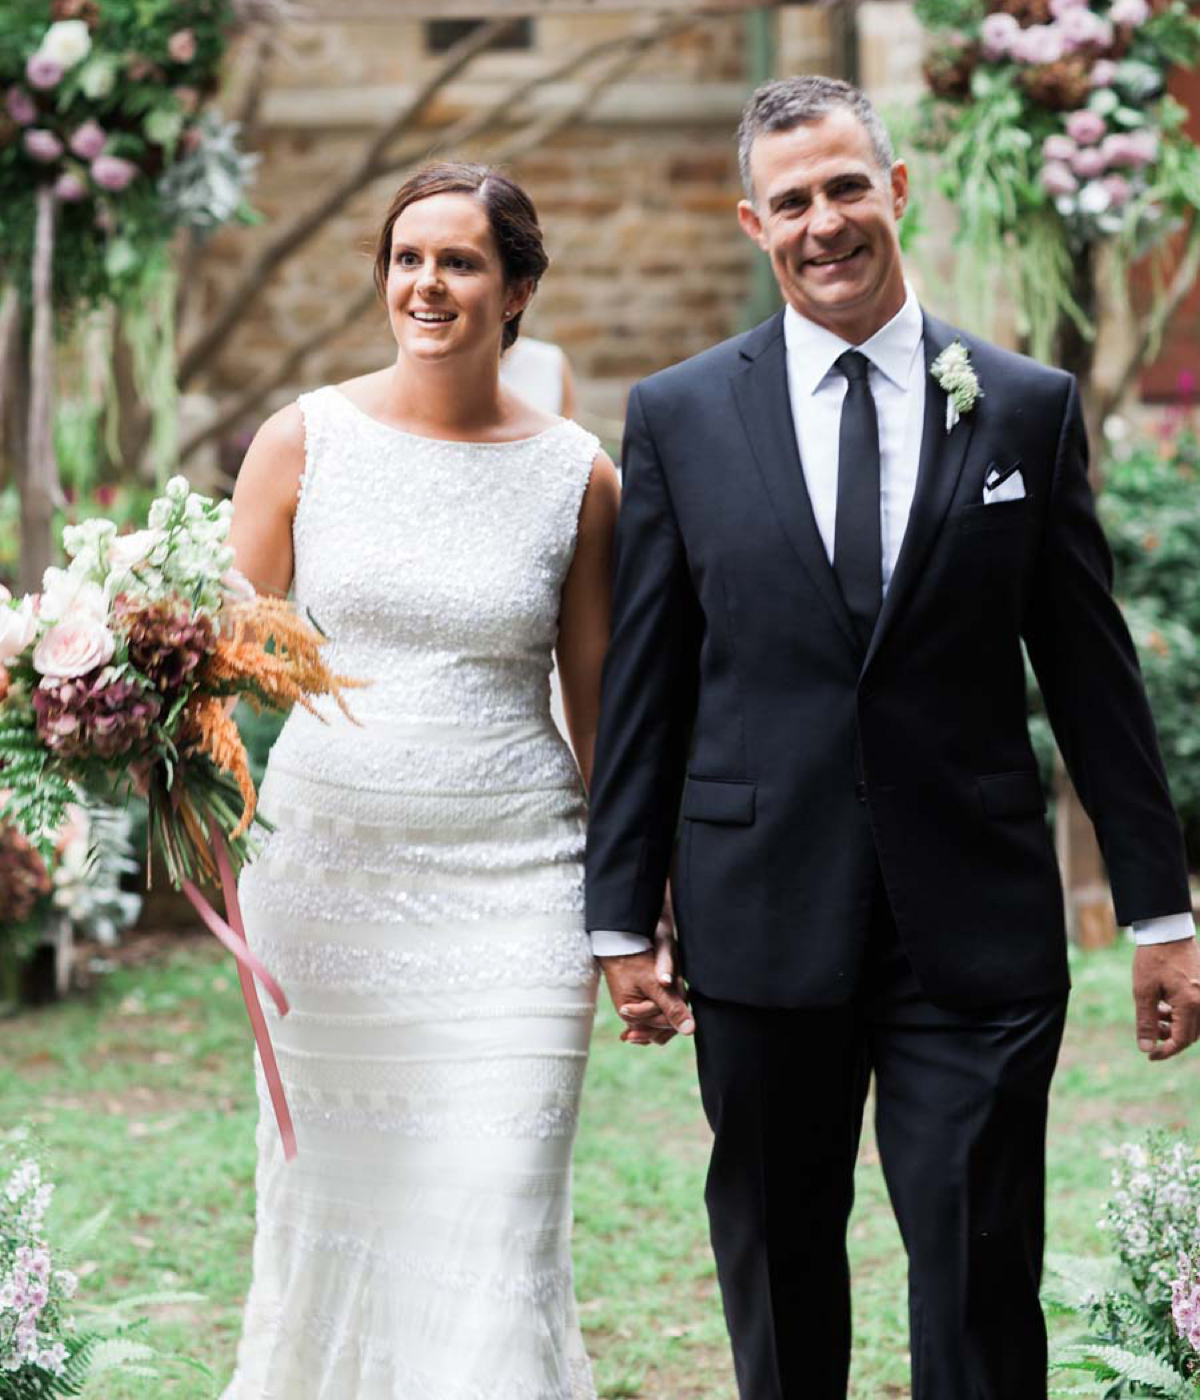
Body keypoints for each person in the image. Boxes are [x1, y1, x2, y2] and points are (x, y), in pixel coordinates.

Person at [583, 76, 1200, 1399]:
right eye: (793, 200)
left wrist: (1160, 915)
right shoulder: (681, 418)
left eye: (847, 186)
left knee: (980, 1280)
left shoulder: (1024, 406)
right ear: (755, 223)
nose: (825, 222)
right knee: (776, 1267)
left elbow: (1092, 679)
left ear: (898, 190)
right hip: (759, 912)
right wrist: (619, 917)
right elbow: (649, 682)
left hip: (971, 926)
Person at [221, 161, 619, 1399]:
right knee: (341, 1206)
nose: (426, 284)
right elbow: (220, 655)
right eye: (406, 258)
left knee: (499, 1205)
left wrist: (634, 900)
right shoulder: (302, 440)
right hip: (329, 887)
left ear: (518, 290)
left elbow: (599, 701)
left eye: (458, 261)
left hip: (517, 889)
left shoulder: (579, 476)